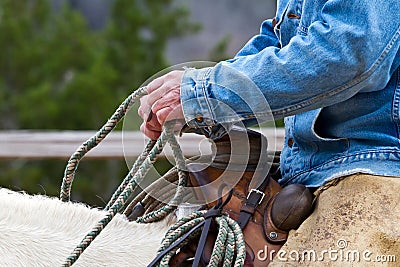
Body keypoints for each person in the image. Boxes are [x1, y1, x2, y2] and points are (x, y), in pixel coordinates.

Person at [139, 0, 400, 265]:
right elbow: (281, 41)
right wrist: (200, 103)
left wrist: (205, 93)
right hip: (304, 171)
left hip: (378, 170)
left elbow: (351, 51)